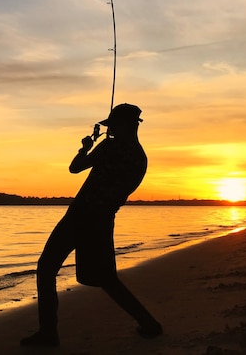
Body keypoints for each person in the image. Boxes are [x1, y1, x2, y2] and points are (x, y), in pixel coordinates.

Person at [21, 103, 162, 347]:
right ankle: (148, 324)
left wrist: (85, 148)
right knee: (107, 279)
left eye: (114, 125)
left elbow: (75, 168)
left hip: (81, 216)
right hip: (103, 219)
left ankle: (48, 334)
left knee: (46, 269)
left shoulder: (110, 147)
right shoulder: (140, 158)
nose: (111, 130)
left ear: (127, 125)